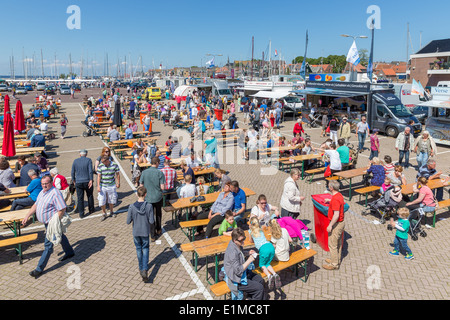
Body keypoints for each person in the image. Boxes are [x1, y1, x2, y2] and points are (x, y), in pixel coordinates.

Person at [22, 175, 75, 279]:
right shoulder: (42, 192)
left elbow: (62, 209)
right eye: (42, 184)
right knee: (60, 235)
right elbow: (36, 205)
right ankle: (69, 252)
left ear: (51, 183)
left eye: (46, 183)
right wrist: (27, 216)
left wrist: (54, 223)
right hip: (47, 224)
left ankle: (39, 269)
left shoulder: (55, 193)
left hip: (51, 224)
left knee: (48, 246)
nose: (44, 185)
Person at [223, 228, 265, 300]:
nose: (243, 242)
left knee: (260, 280)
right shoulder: (232, 252)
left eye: (244, 238)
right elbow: (238, 271)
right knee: (259, 288)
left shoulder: (237, 244)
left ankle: (249, 298)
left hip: (244, 273)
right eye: (241, 240)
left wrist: (248, 252)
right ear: (235, 240)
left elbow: (240, 253)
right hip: (236, 279)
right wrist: (249, 260)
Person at [127, 186, 155, 281]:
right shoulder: (149, 206)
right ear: (145, 194)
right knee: (146, 248)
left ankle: (140, 267)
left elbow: (127, 221)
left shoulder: (131, 206)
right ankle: (144, 268)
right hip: (145, 231)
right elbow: (151, 221)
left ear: (137, 194)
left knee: (138, 249)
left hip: (136, 232)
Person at [248, 216, 280, 290]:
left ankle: (269, 276)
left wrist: (250, 231)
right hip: (270, 246)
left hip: (263, 249)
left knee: (262, 264)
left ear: (251, 224)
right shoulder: (261, 229)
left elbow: (250, 241)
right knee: (267, 263)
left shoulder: (250, 231)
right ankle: (274, 274)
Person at [139, 157, 165, 239]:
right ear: (157, 163)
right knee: (158, 213)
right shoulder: (160, 173)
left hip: (148, 197)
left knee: (150, 215)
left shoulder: (144, 172)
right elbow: (162, 187)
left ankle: (152, 235)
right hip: (157, 197)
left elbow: (141, 185)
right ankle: (159, 229)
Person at [322, 180, 345, 270]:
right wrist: (330, 200)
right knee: (338, 243)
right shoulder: (339, 195)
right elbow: (337, 202)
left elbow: (336, 215)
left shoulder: (335, 199)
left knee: (332, 244)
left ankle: (334, 264)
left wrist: (330, 225)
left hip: (336, 224)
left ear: (331, 188)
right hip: (341, 223)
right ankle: (336, 259)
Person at [97, 155, 120, 221]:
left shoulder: (114, 165)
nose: (103, 163)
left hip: (111, 185)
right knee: (102, 200)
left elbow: (117, 174)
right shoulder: (100, 166)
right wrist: (98, 186)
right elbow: (99, 176)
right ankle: (104, 213)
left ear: (107, 161)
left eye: (104, 162)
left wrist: (118, 183)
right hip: (103, 186)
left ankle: (111, 211)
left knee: (112, 199)